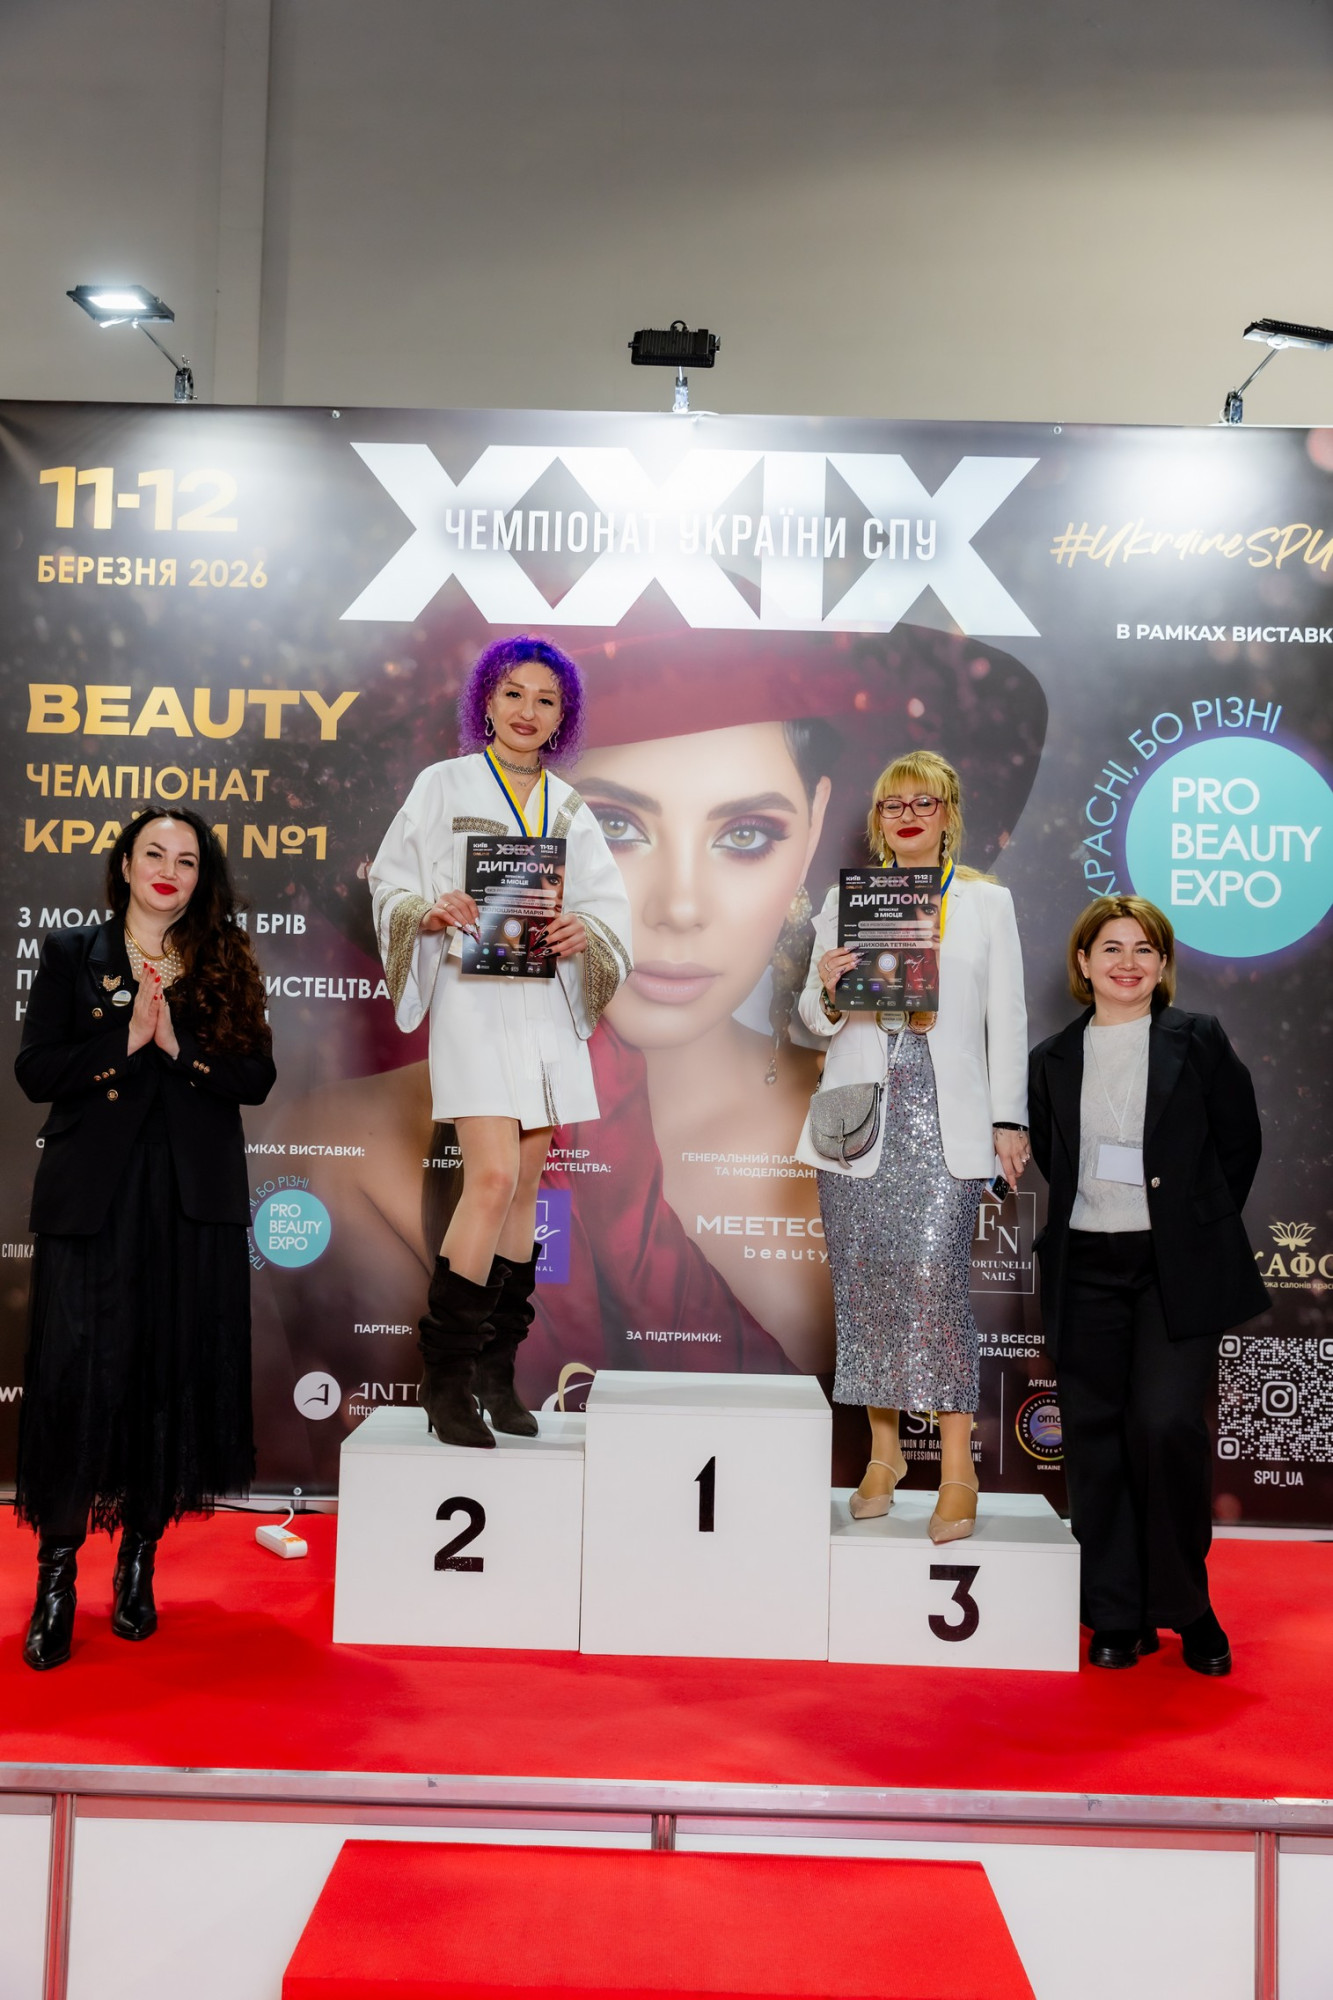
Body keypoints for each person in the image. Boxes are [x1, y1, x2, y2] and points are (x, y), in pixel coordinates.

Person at [14, 808, 274, 1671]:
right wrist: (123, 1043)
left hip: (191, 1203)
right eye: (153, 853)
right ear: (125, 865)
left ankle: (139, 1562)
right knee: (77, 1379)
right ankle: (57, 1577)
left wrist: (179, 1047)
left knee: (169, 1375)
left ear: (203, 877)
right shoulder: (70, 953)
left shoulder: (225, 958)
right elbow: (34, 1070)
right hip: (93, 1200)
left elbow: (256, 1078)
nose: (169, 869)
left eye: (187, 860)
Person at [367, 634, 633, 1448]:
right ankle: (444, 1378)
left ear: (562, 717)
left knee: (522, 1191)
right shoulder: (442, 785)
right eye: (514, 693)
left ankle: (495, 1372)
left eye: (545, 700)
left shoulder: (569, 807)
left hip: (543, 1009)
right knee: (488, 1179)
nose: (527, 710)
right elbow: (390, 881)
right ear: (486, 701)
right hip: (475, 1004)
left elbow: (607, 911)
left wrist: (580, 932)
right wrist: (429, 911)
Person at [1028, 896, 1269, 1675]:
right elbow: (1051, 1157)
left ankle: (1186, 1607)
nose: (1126, 962)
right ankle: (1114, 1612)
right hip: (1085, 1268)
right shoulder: (1051, 1058)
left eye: (1143, 949)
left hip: (1173, 1270)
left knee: (1165, 1428)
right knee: (1093, 1440)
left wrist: (1189, 1224)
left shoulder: (1196, 1039)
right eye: (1110, 948)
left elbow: (1238, 1141)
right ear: (1082, 962)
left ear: (1161, 965)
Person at [796, 750, 1030, 1543]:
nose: (906, 815)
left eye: (922, 802)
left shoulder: (984, 903)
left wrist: (1009, 1120)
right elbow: (809, 1020)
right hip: (859, 1114)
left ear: (947, 814)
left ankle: (957, 1466)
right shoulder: (846, 900)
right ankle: (883, 1454)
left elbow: (1007, 1019)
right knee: (865, 1286)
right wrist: (828, 987)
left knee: (932, 1286)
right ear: (878, 819)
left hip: (944, 1116)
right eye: (892, 803)